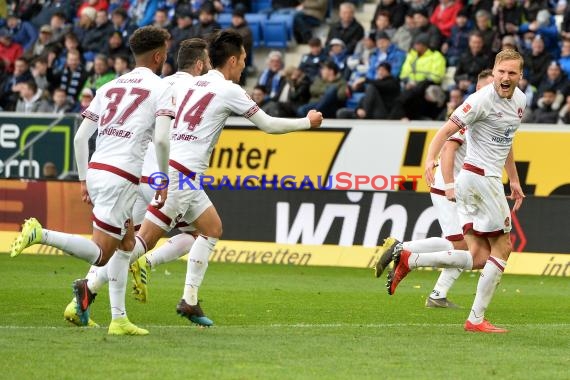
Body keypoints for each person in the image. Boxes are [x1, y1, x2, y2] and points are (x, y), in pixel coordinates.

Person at [128, 30, 323, 326]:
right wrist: (307, 123)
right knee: (141, 243)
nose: (245, 65)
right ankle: (89, 283)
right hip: (182, 177)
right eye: (244, 59)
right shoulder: (228, 89)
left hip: (178, 174)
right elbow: (268, 124)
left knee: (212, 228)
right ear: (232, 60)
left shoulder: (193, 83)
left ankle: (189, 300)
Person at [10, 26, 174, 336]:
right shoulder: (162, 87)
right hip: (122, 176)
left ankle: (119, 319)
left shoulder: (109, 86)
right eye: (166, 51)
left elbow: (81, 136)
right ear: (159, 56)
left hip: (98, 169)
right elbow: (163, 139)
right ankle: (39, 233)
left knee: (127, 244)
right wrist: (162, 178)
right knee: (102, 253)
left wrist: (84, 180)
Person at [61, 39, 212, 329]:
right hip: (162, 174)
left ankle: (86, 298)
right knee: (179, 237)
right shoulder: (192, 89)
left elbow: (88, 135)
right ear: (200, 64)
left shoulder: (158, 83)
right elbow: (167, 137)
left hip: (135, 173)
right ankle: (112, 280)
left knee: (127, 242)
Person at [385, 49, 526, 333]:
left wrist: (514, 179)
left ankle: (410, 258)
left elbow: (506, 140)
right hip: (479, 179)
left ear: (520, 76)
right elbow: (445, 132)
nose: (505, 77)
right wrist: (429, 159)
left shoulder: (520, 101)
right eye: (501, 72)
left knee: (477, 255)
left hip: (481, 180)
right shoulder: (480, 100)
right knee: (504, 247)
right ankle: (475, 320)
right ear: (494, 71)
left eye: (512, 73)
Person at [374, 69, 495, 309]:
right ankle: (407, 255)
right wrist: (449, 184)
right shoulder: (470, 113)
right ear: (480, 90)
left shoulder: (488, 116)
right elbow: (449, 149)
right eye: (490, 86)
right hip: (449, 187)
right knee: (465, 247)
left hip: (463, 189)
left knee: (462, 244)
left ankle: (434, 289)